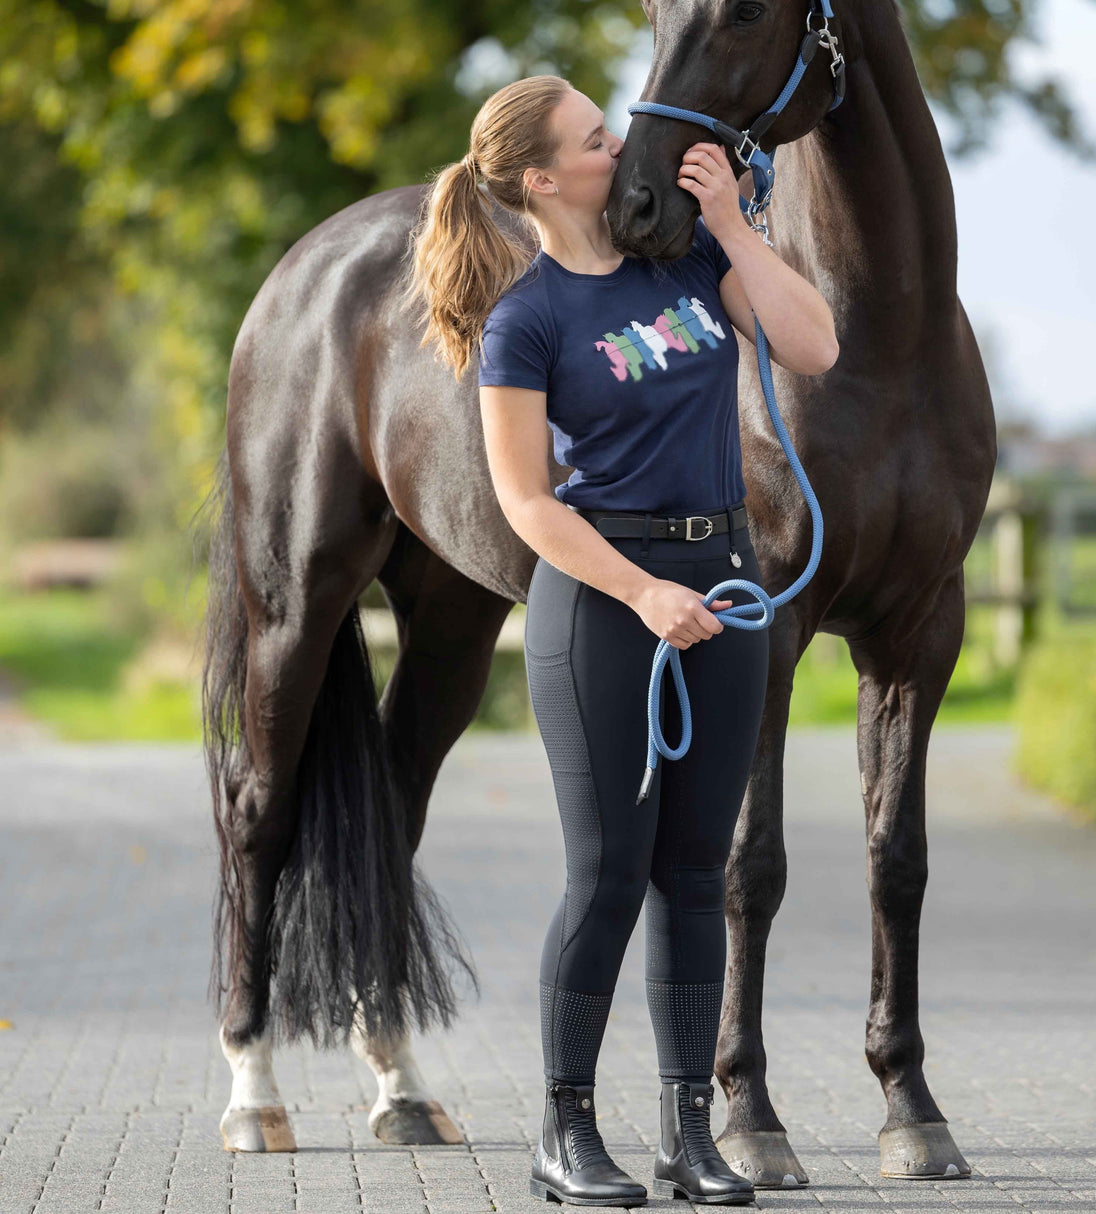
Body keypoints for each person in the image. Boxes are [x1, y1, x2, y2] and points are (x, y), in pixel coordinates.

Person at [404, 74, 838, 1206]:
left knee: (696, 872)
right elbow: (526, 502)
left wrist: (738, 225)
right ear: (543, 179)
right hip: (607, 604)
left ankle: (688, 1131)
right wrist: (643, 592)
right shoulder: (527, 319)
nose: (626, 148)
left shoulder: (689, 261)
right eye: (599, 140)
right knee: (607, 874)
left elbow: (813, 345)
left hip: (727, 583)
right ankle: (563, 1129)